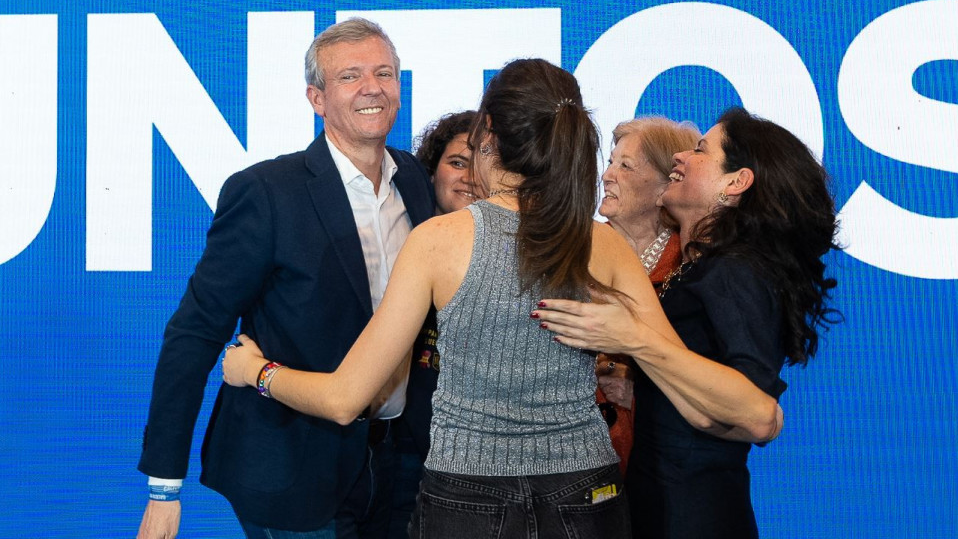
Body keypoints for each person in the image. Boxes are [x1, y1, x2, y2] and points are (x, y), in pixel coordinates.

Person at [222, 58, 689, 538]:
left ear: (487, 131)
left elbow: (344, 399)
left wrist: (257, 373)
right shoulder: (604, 244)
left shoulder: (438, 240)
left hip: (469, 497)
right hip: (587, 492)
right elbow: (678, 369)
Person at [136, 18, 435, 539]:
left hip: (397, 463)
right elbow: (195, 330)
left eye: (384, 73)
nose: (372, 87)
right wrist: (165, 487)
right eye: (350, 76)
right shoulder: (267, 192)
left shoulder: (414, 180)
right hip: (290, 469)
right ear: (316, 98)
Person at [534, 107, 840, 538]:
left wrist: (636, 340)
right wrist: (644, 384)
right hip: (661, 506)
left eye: (700, 150)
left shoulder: (734, 271)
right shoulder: (703, 267)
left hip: (693, 514)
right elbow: (706, 382)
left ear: (735, 183)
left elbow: (754, 413)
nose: (681, 156)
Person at [388, 110, 478, 538]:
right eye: (458, 162)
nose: (469, 177)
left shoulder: (521, 257)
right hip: (392, 455)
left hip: (480, 472)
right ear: (431, 168)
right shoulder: (395, 247)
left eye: (483, 162)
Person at [595, 117, 699, 476]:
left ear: (664, 187)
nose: (607, 175)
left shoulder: (691, 266)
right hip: (580, 464)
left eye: (625, 166)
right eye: (610, 163)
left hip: (665, 464)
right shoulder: (577, 251)